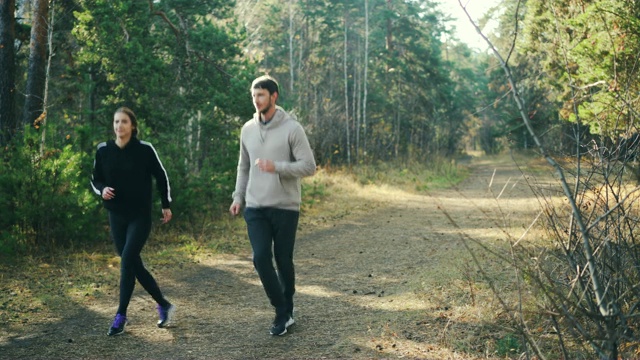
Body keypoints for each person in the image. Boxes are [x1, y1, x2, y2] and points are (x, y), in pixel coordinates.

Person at [230, 75, 316, 336]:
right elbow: (243, 166)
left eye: (261, 95)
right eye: (254, 96)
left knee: (282, 259)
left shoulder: (292, 128)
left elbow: (309, 166)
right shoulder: (247, 129)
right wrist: (237, 197)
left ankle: (287, 307)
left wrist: (276, 167)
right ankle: (281, 309)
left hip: (285, 205)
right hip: (255, 206)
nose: (256, 101)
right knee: (260, 258)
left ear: (273, 96)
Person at [91, 107, 175, 336]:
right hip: (116, 215)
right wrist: (102, 190)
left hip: (140, 215)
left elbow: (161, 175)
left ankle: (121, 315)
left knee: (127, 259)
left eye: (124, 122)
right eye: (116, 122)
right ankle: (164, 304)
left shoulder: (145, 150)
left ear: (133, 126)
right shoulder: (103, 150)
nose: (119, 126)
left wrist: (165, 204)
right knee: (133, 264)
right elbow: (95, 179)